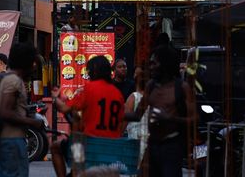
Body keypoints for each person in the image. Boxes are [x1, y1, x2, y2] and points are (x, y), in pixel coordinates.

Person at [51, 56, 126, 177]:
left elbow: (64, 108)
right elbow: (121, 121)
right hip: (111, 146)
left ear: (94, 71)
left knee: (55, 147)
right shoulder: (118, 94)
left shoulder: (89, 88)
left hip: (89, 145)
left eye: (89, 71)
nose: (88, 74)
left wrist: (55, 98)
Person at [127, 46, 195, 177]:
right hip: (152, 146)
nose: (151, 67)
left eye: (154, 63)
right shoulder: (151, 85)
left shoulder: (182, 88)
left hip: (172, 147)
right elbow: (137, 115)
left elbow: (194, 119)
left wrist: (170, 118)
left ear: (165, 64)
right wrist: (117, 114)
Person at [0, 42, 41, 177]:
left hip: (10, 139)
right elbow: (5, 111)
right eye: (32, 62)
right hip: (12, 140)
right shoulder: (13, 81)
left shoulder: (10, 79)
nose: (34, 66)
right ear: (26, 62)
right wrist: (31, 122)